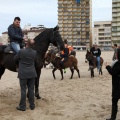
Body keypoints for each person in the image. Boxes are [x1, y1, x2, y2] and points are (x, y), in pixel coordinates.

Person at [14, 39, 37, 111]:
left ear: (27, 44)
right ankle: (32, 105)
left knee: (23, 90)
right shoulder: (34, 52)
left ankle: (22, 106)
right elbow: (35, 61)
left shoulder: (21, 51)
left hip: (23, 73)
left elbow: (15, 59)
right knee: (31, 90)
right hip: (32, 73)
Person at [105, 48, 120, 120]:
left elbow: (113, 72)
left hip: (117, 86)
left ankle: (113, 117)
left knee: (114, 101)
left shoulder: (117, 63)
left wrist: (107, 67)